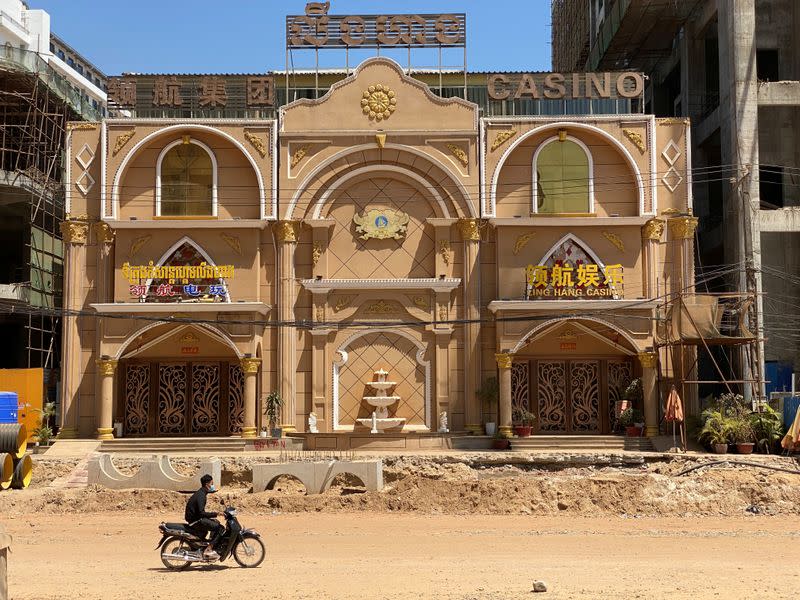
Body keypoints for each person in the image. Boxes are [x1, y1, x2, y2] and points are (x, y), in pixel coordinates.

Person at [185, 474, 223, 560]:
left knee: (216, 522)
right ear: (207, 484)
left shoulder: (201, 493)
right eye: (211, 483)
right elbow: (201, 513)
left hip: (196, 518)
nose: (212, 486)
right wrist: (216, 513)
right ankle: (209, 549)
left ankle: (209, 543)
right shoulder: (201, 496)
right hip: (196, 521)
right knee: (220, 528)